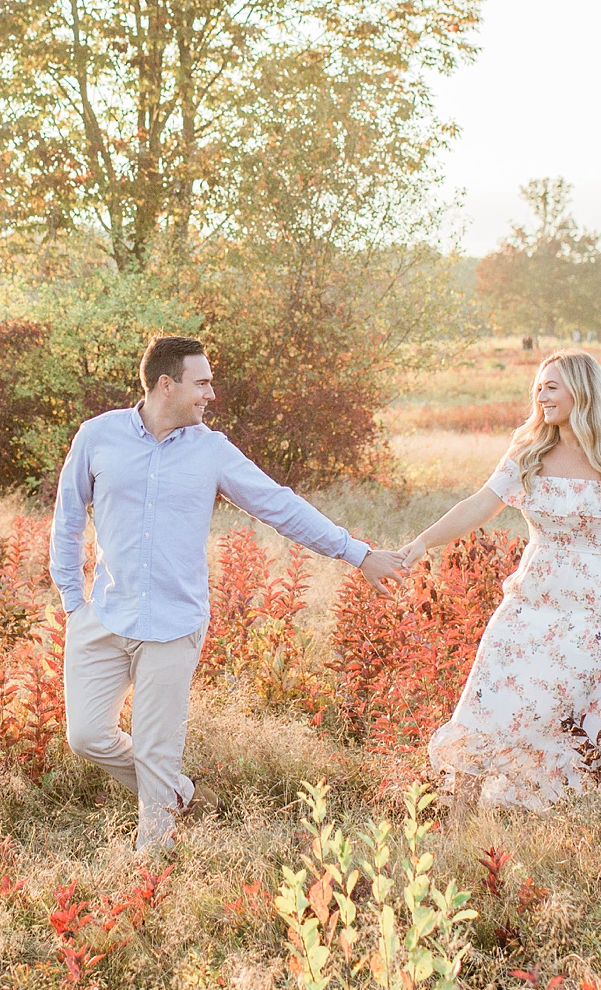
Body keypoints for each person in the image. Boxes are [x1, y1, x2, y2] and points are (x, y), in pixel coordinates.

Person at [51, 335, 408, 851]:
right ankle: (177, 793)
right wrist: (71, 602)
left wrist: (357, 553)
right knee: (86, 737)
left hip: (174, 623)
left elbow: (279, 506)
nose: (211, 395)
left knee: (156, 750)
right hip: (103, 614)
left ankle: (151, 867)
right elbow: (66, 522)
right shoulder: (97, 437)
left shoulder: (211, 451)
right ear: (165, 384)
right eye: (202, 383)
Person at [399, 349, 601, 813]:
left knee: (573, 703)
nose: (540, 396)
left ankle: (558, 810)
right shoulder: (528, 450)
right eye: (538, 388)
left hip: (593, 602)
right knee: (492, 686)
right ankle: (462, 814)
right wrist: (423, 542)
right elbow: (480, 504)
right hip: (531, 593)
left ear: (580, 391)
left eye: (550, 386)